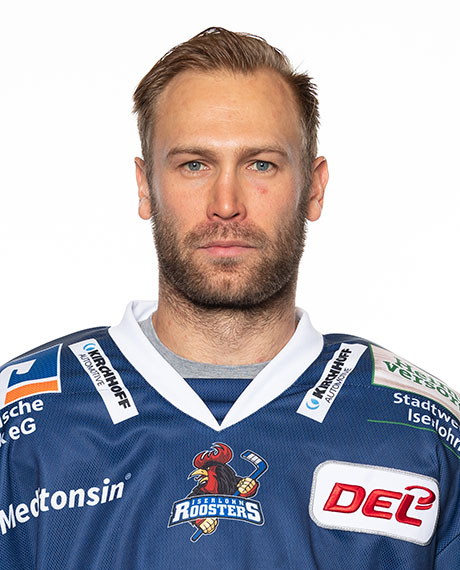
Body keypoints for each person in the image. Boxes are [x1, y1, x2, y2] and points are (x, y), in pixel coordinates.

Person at [0, 27, 458, 569]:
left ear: (314, 188)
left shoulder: (420, 432)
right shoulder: (25, 424)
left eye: (260, 164)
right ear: (146, 186)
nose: (225, 204)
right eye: (194, 164)